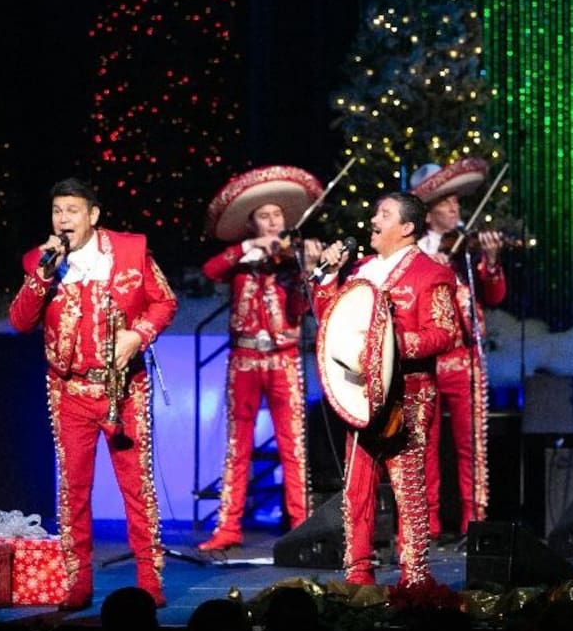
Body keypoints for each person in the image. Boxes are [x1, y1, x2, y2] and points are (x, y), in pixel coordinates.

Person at [8, 177, 177, 609]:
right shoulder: (40, 261)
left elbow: (165, 302)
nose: (63, 219)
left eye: (72, 210)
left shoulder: (130, 251)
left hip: (125, 390)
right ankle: (77, 583)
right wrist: (43, 276)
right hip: (69, 390)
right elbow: (20, 321)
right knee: (73, 490)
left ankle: (149, 580)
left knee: (137, 488)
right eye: (57, 211)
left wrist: (137, 336)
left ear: (93, 215)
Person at [312, 191, 459, 586]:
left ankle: (414, 580)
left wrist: (389, 347)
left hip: (408, 395)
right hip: (361, 396)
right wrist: (327, 276)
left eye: (384, 214)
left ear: (406, 228)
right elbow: (332, 322)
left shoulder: (431, 273)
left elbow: (445, 332)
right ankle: (358, 576)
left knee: (408, 489)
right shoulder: (359, 270)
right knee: (356, 489)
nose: (373, 219)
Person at [197, 166, 326, 552]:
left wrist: (307, 270)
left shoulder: (294, 259)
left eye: (277, 216)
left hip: (284, 358)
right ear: (251, 224)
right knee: (237, 445)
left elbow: (304, 307)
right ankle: (228, 528)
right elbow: (211, 270)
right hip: (244, 358)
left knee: (293, 445)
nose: (273, 223)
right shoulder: (240, 258)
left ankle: (302, 524)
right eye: (264, 217)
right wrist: (245, 250)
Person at [409, 158, 507, 542]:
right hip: (426, 361)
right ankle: (427, 521)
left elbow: (495, 295)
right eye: (447, 205)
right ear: (429, 213)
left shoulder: (467, 250)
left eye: (456, 205)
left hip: (465, 359)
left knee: (471, 446)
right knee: (424, 445)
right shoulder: (413, 251)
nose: (455, 210)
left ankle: (474, 520)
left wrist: (492, 262)